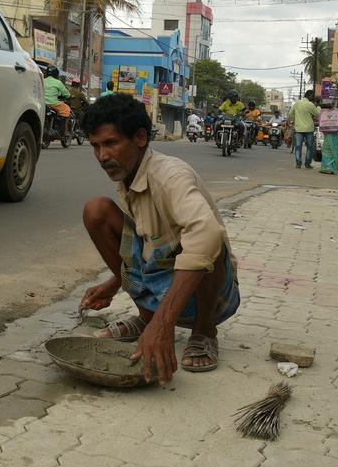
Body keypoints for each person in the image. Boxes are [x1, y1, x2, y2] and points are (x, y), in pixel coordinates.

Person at [79, 94, 240, 383]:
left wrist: (165, 324)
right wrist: (115, 283)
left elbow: (207, 235)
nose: (103, 156)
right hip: (161, 274)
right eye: (96, 146)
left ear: (140, 137)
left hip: (213, 293)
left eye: (111, 143)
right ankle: (146, 317)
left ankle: (204, 330)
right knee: (97, 211)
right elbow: (146, 240)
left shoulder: (169, 176)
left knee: (207, 238)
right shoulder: (129, 176)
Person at [289, 90, 320, 169]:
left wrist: (296, 121)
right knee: (310, 147)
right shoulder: (310, 105)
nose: (312, 97)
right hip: (309, 129)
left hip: (299, 128)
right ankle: (307, 163)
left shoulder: (297, 103)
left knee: (298, 146)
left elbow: (290, 114)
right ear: (309, 95)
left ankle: (298, 163)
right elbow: (317, 114)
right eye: (312, 96)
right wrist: (318, 106)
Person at [319, 99, 338, 175]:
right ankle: (333, 168)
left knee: (326, 149)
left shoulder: (332, 112)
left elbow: (324, 121)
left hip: (329, 133)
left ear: (337, 105)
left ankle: (325, 167)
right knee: (336, 150)